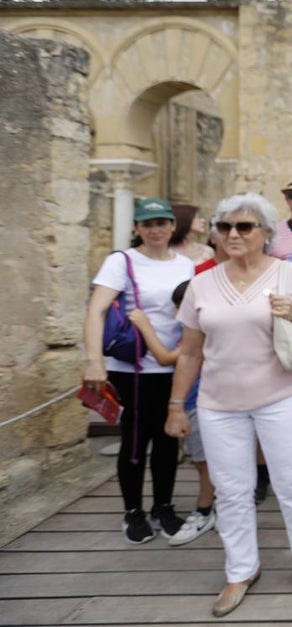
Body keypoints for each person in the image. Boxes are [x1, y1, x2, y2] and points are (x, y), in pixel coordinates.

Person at [165, 193, 292, 616]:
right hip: (218, 403)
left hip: (283, 397)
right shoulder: (202, 282)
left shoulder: (289, 274)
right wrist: (174, 406)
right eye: (225, 227)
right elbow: (189, 352)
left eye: (243, 227)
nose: (233, 234)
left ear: (264, 232)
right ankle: (240, 570)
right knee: (231, 489)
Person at [82, 197, 195, 544]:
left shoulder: (186, 265)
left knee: (166, 440)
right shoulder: (122, 262)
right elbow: (96, 311)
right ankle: (133, 512)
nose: (155, 229)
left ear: (173, 226)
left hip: (171, 365)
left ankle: (163, 506)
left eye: (162, 223)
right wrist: (94, 360)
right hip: (130, 368)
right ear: (137, 228)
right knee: (134, 441)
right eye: (148, 224)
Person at [131, 277, 218, 547]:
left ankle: (205, 510)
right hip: (198, 402)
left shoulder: (200, 331)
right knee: (204, 460)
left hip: (200, 402)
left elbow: (167, 358)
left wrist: (145, 327)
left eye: (181, 308)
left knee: (205, 462)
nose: (178, 314)